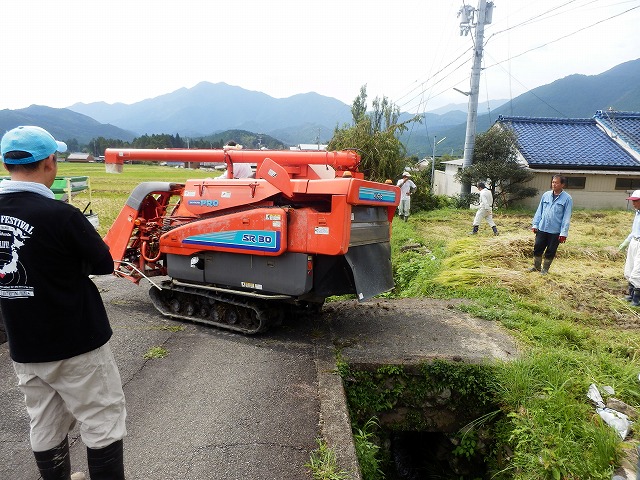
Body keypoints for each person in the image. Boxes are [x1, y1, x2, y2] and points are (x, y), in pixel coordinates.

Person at [0, 126, 127, 480]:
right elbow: (103, 264)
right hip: (77, 343)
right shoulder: (60, 215)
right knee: (102, 419)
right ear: (50, 162)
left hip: (24, 344)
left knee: (43, 419)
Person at [528, 174, 573, 275]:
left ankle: (545, 269)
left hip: (555, 231)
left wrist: (563, 233)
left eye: (556, 183)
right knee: (538, 247)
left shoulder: (567, 199)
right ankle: (536, 266)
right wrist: (535, 224)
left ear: (562, 185)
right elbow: (539, 210)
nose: (554, 184)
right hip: (542, 227)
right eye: (553, 182)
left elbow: (566, 217)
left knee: (550, 251)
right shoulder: (546, 195)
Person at [619, 190, 640, 305]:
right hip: (634, 242)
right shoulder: (637, 213)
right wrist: (626, 242)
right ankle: (631, 294)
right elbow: (634, 231)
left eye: (636, 201)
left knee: (638, 270)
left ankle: (637, 299)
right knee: (630, 268)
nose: (633, 203)